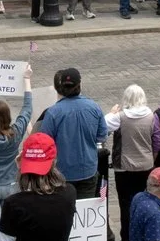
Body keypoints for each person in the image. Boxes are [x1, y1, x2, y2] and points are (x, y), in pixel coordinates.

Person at [33, 66, 109, 198]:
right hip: (88, 170)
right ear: (79, 85)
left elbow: (44, 143)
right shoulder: (94, 107)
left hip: (63, 173)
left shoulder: (53, 113)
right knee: (83, 213)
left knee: (65, 212)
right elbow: (102, 136)